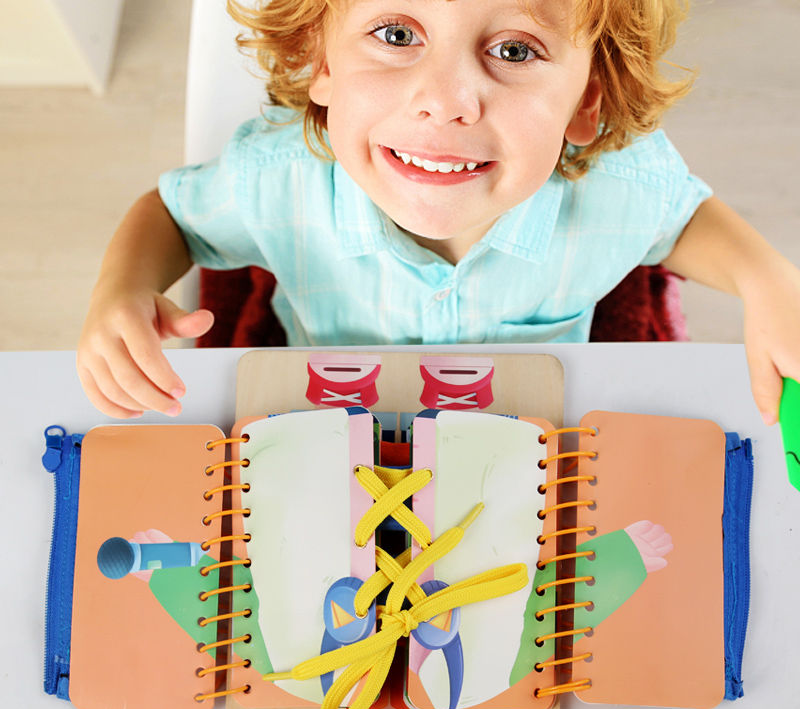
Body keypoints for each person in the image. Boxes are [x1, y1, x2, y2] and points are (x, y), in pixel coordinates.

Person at [77, 0, 800, 426]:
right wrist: (121, 290)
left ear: (588, 101)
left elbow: (679, 220)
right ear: (320, 60)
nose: (446, 98)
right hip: (336, 427)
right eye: (397, 35)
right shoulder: (278, 180)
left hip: (535, 435)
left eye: (515, 49)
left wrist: (768, 279)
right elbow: (173, 216)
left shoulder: (619, 185)